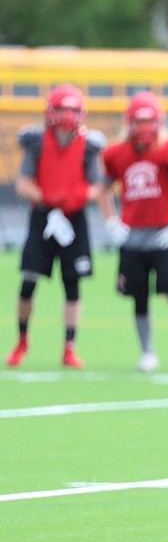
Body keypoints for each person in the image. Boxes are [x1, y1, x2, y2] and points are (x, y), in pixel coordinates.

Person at [99, 90, 168, 373]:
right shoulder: (119, 153)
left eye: (149, 121)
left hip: (162, 235)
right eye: (139, 122)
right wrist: (111, 221)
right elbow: (102, 189)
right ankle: (147, 353)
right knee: (139, 298)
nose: (145, 128)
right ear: (130, 123)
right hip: (133, 237)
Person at [8, 84, 105, 369]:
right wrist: (48, 198)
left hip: (73, 219)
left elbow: (98, 187)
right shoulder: (37, 142)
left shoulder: (88, 146)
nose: (66, 116)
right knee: (29, 280)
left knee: (72, 283)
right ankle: (22, 340)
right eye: (61, 110)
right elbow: (23, 183)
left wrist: (72, 198)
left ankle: (69, 347)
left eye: (71, 110)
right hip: (44, 217)